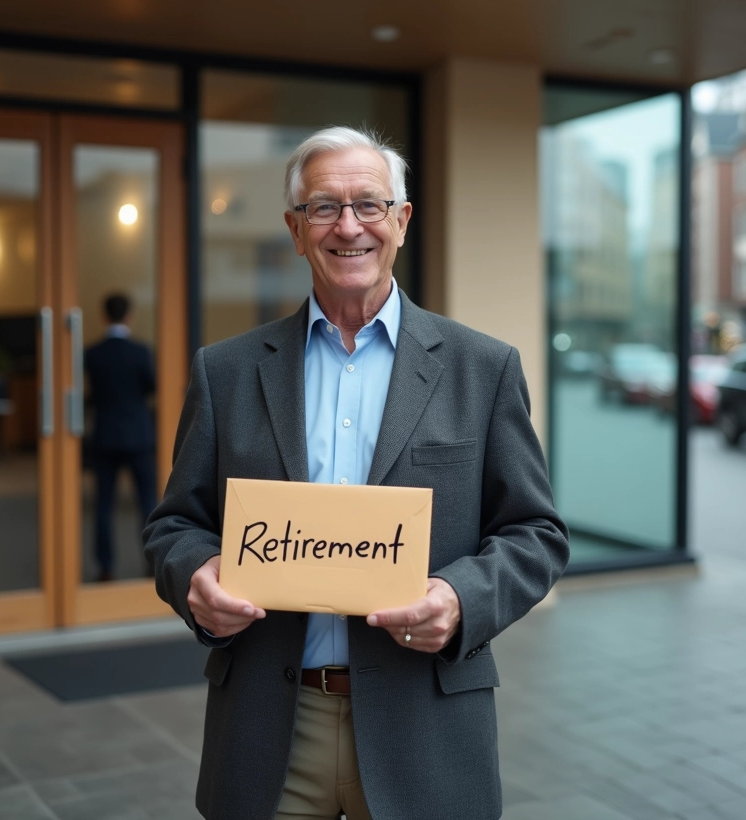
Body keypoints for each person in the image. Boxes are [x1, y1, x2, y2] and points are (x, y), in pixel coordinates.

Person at [144, 126, 569, 820]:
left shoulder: (483, 369)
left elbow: (536, 533)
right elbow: (175, 525)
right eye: (323, 207)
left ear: (401, 220)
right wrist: (194, 576)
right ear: (294, 228)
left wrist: (461, 599)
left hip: (423, 725)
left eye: (369, 204)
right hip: (268, 726)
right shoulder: (225, 371)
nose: (349, 226)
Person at [86, 292, 157, 582]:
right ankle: (153, 564)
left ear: (104, 316)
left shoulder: (92, 353)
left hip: (104, 435)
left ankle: (105, 566)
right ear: (129, 316)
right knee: (148, 503)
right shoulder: (141, 351)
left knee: (103, 505)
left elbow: (89, 394)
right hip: (138, 434)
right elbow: (152, 386)